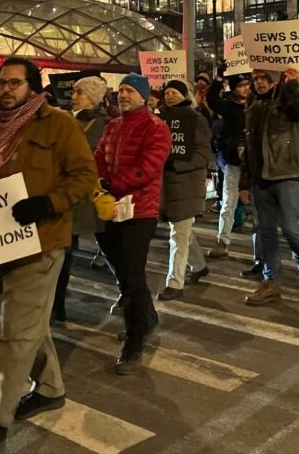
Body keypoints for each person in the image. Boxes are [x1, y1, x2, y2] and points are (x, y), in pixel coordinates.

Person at [0, 57, 96, 451]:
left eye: (14, 83)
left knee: (16, 335)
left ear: (33, 86)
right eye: (2, 83)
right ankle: (49, 389)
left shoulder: (59, 124)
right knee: (30, 326)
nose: (6, 89)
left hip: (41, 242)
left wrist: (49, 202)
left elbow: (85, 176)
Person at [94, 73, 170, 374]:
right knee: (124, 274)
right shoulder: (112, 126)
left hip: (140, 212)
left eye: (129, 91)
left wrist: (111, 183)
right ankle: (146, 319)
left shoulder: (156, 128)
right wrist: (100, 181)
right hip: (111, 210)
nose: (122, 95)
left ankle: (134, 341)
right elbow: (98, 157)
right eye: (120, 90)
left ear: (143, 96)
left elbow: (148, 168)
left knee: (133, 277)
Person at [238, 68, 299, 306]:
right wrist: (245, 182)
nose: (259, 83)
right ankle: (271, 282)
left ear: (274, 80)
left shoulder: (287, 101)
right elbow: (249, 147)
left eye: (264, 79)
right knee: (267, 232)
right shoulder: (253, 106)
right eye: (256, 79)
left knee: (292, 230)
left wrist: (293, 86)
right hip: (260, 179)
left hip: (286, 175)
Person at [52, 75, 110, 325]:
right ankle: (57, 306)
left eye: (79, 93)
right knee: (62, 252)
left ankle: (128, 297)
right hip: (64, 194)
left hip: (90, 196)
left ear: (93, 98)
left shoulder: (105, 124)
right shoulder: (64, 119)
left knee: (110, 249)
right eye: (74, 92)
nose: (73, 97)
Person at [157, 79, 212, 300]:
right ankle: (198, 266)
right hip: (166, 183)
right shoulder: (159, 119)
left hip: (187, 183)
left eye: (173, 92)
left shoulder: (195, 119)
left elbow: (202, 153)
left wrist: (177, 164)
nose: (168, 95)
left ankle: (175, 282)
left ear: (184, 95)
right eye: (166, 92)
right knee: (182, 231)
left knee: (178, 235)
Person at [206, 74, 251, 258]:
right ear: (233, 89)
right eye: (241, 85)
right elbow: (211, 99)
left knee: (264, 205)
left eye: (248, 85)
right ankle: (223, 241)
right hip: (235, 163)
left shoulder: (257, 105)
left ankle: (264, 251)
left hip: (257, 162)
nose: (246, 89)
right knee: (228, 203)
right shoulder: (229, 108)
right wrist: (217, 79)